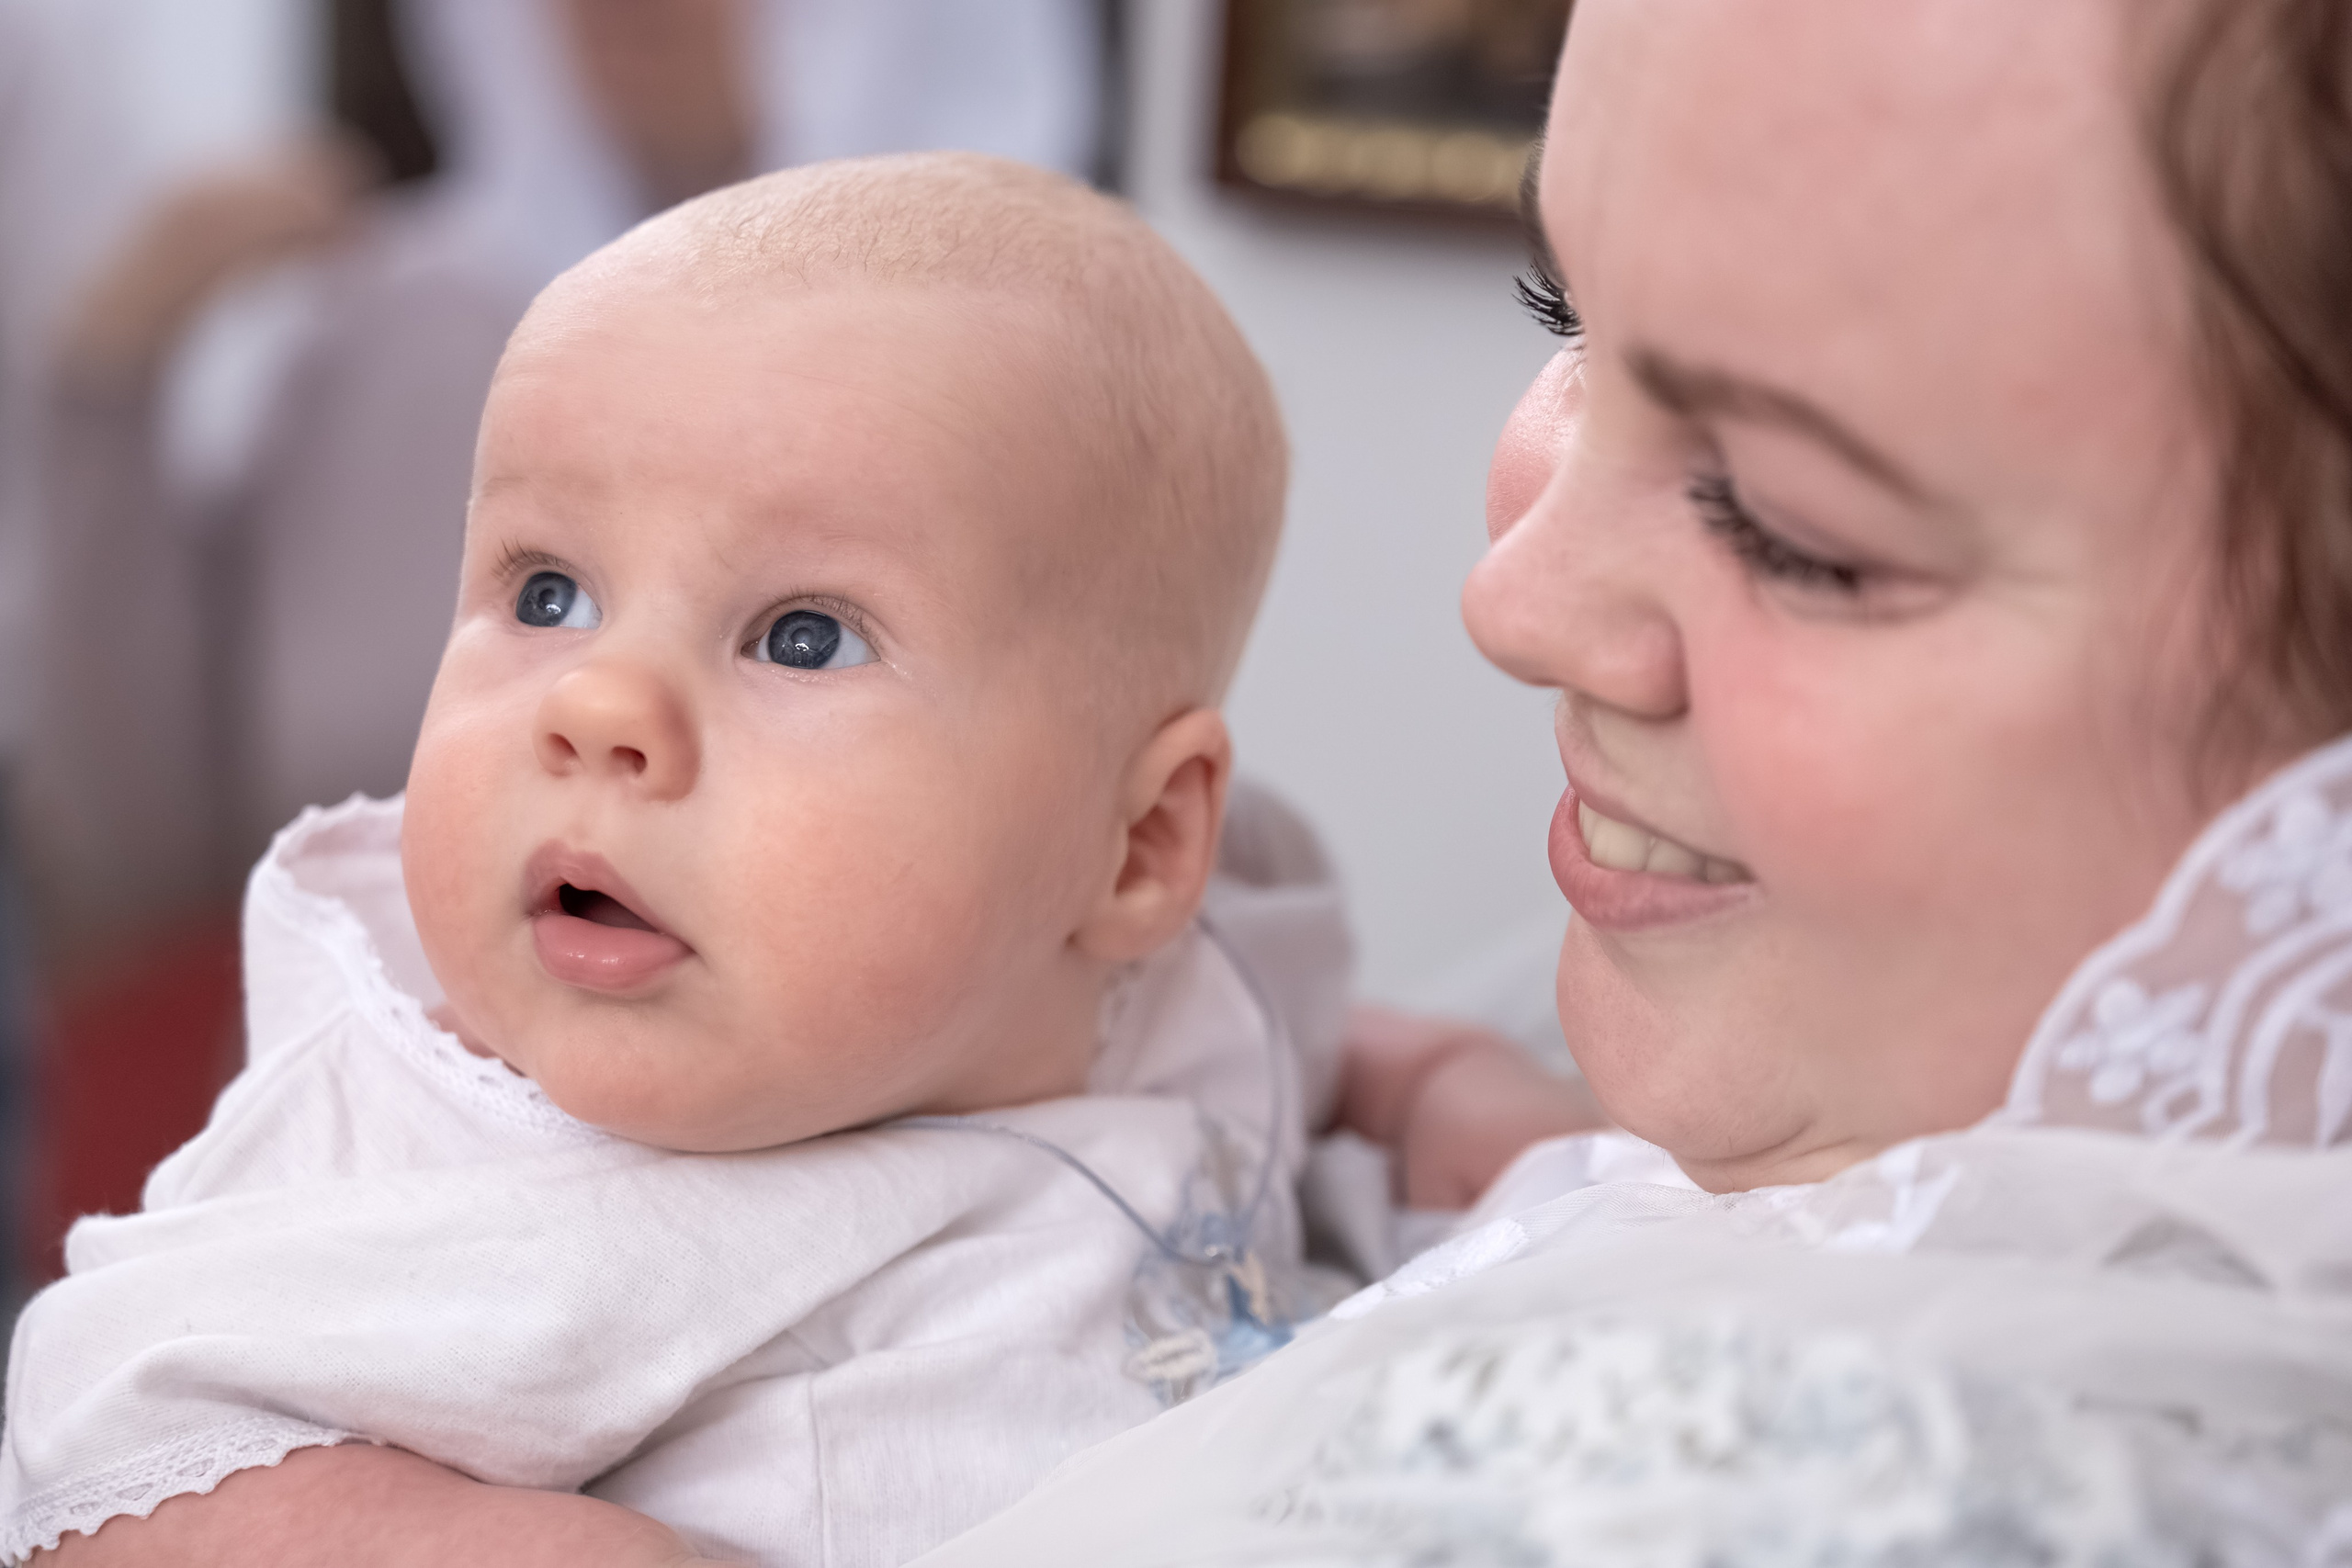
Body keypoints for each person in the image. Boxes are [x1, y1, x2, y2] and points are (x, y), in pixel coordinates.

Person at [1, 153, 1353, 1568]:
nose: (599, 708)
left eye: (803, 635)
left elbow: (1300, 1039)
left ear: (1136, 850)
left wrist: (1444, 1098)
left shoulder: (1184, 975)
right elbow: (108, 1432)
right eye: (546, 593)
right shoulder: (449, 1149)